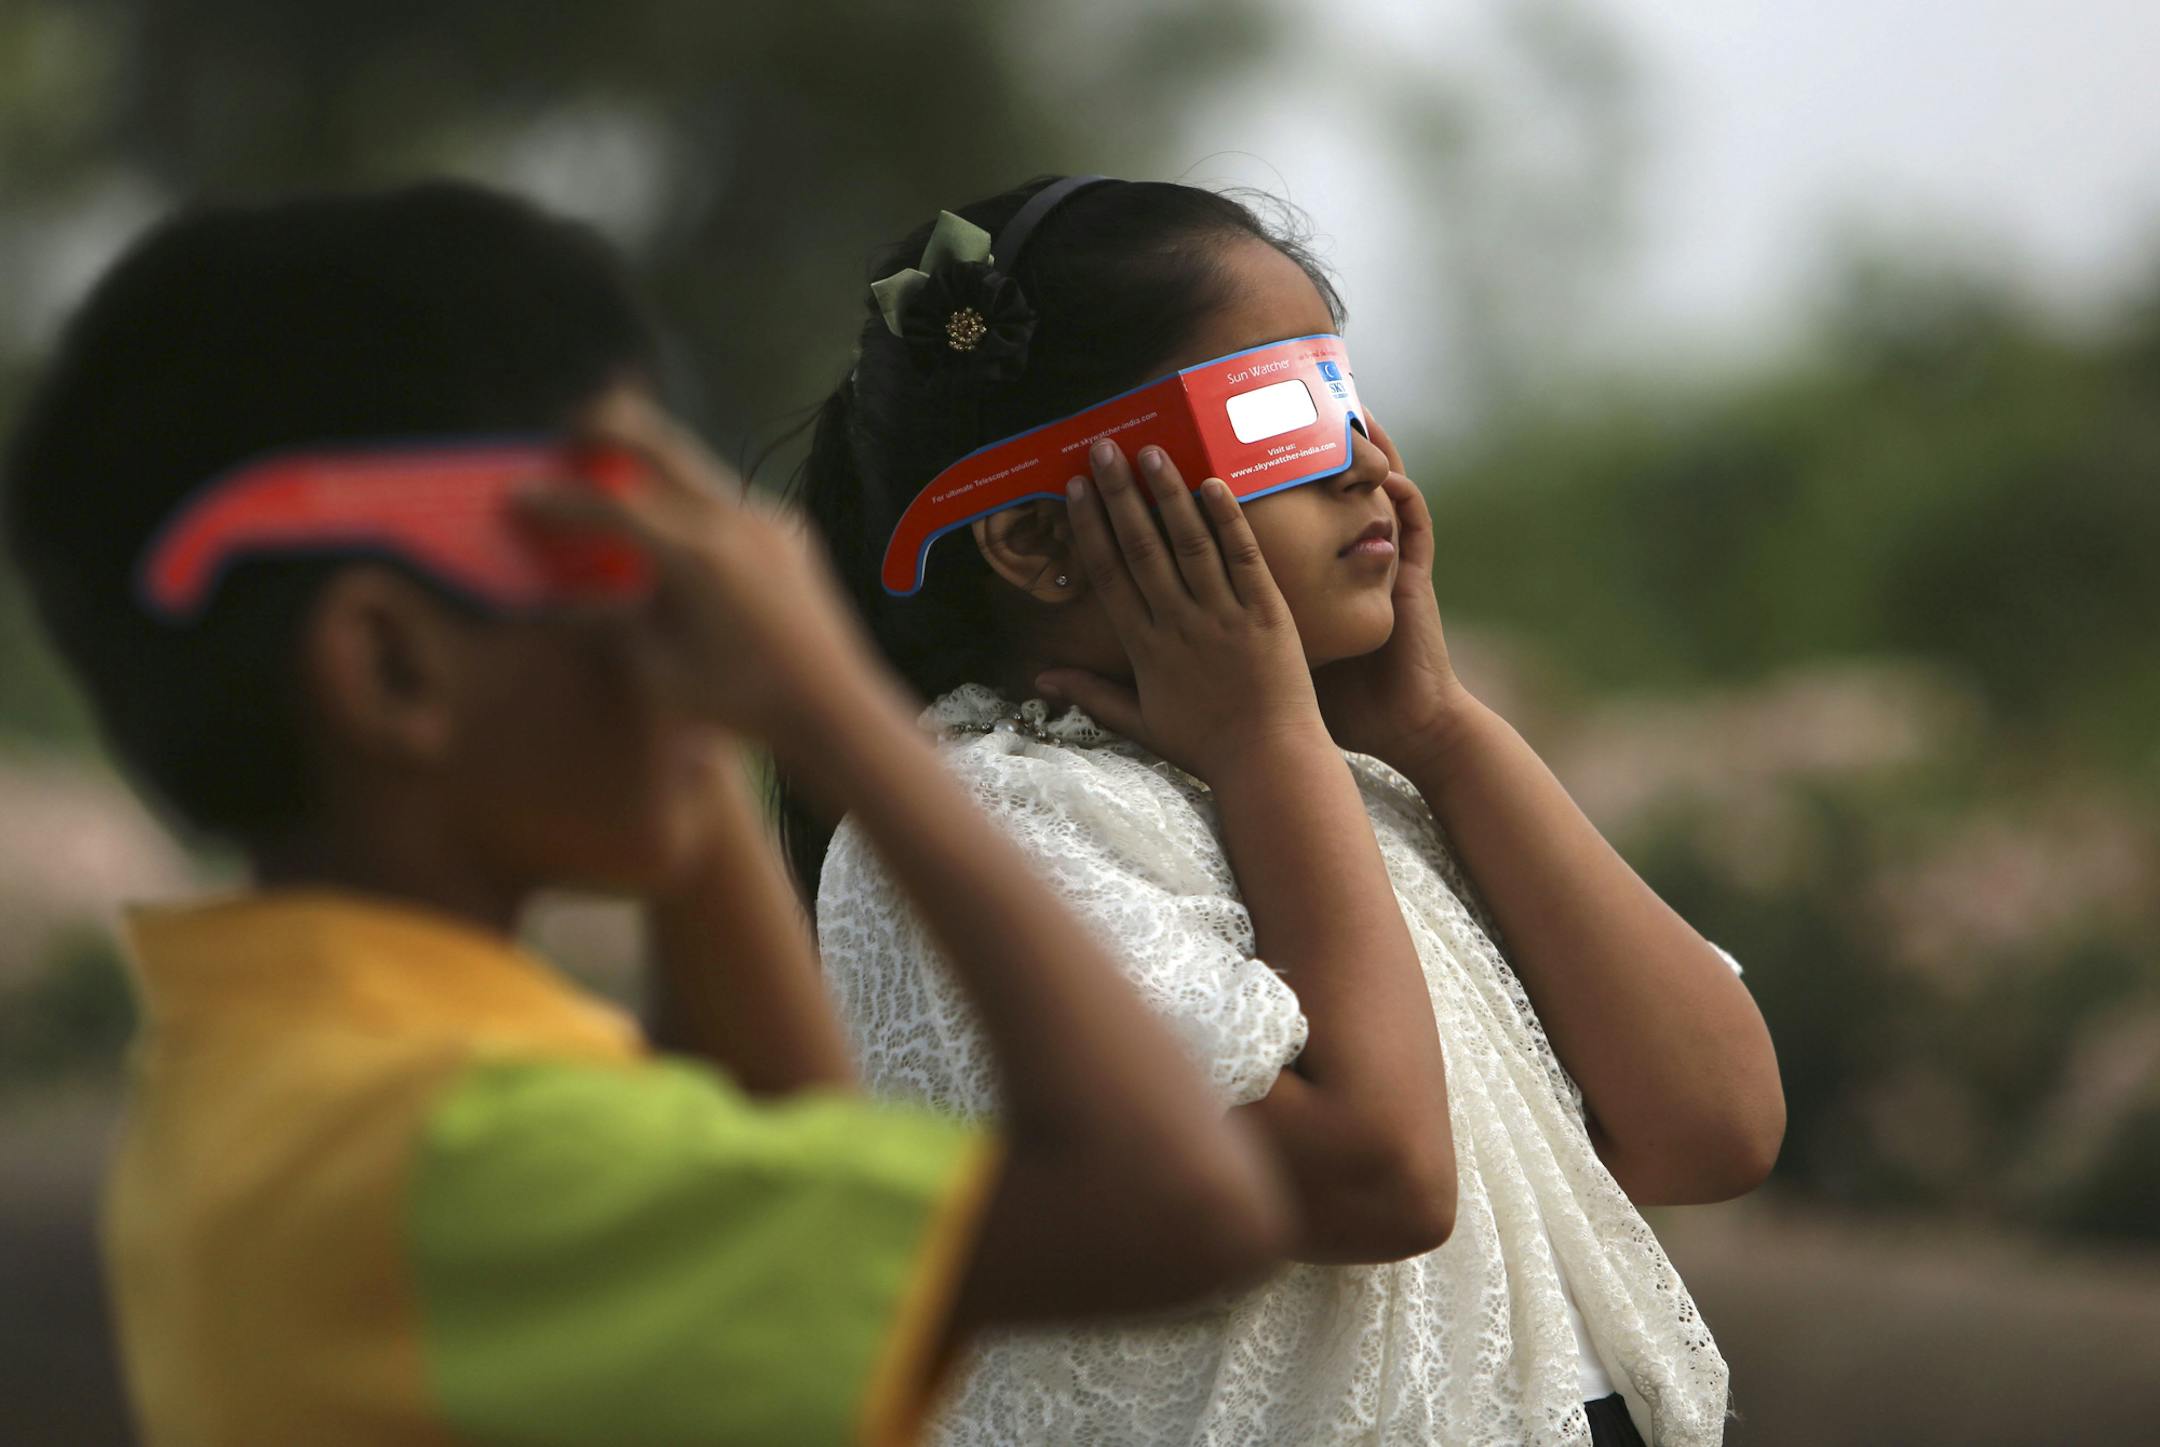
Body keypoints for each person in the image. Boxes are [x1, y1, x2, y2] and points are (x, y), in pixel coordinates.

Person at [0, 180, 1293, 1447]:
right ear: (392, 667)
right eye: (632, 563)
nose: (699, 617)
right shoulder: (471, 1150)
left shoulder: (284, 1066)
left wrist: (706, 728)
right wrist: (831, 710)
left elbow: (788, 1149)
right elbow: (1184, 1208)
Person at [780, 175, 1787, 1447]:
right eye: (1276, 418)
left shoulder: (1364, 785)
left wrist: (1441, 731)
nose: (1367, 464)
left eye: (1346, 399)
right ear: (1039, 538)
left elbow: (1718, 1126)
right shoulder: (972, 826)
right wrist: (1268, 742)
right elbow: (1382, 1177)